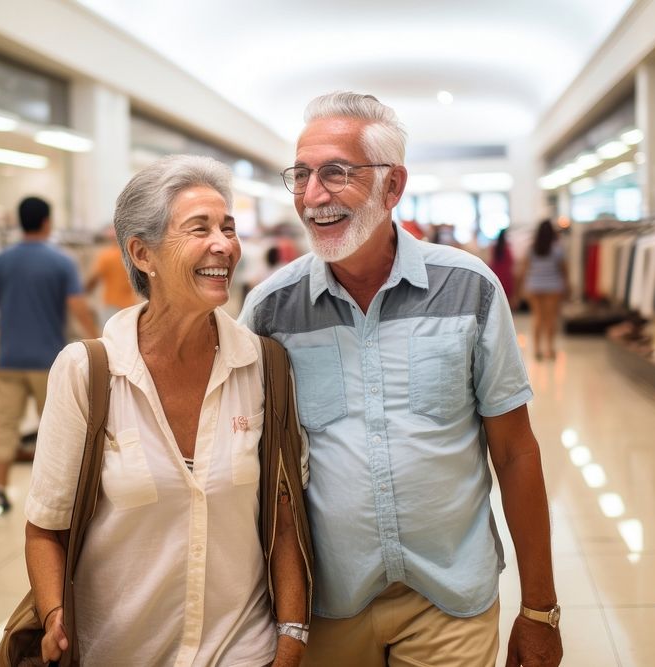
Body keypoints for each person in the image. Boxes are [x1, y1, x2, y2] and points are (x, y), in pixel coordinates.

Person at [240, 92, 562, 666]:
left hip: (449, 600)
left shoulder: (469, 290)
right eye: (302, 175)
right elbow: (248, 468)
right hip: (324, 608)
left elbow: (515, 453)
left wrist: (540, 609)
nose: (313, 196)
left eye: (336, 173)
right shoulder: (270, 311)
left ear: (393, 186)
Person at [25, 155, 312, 666]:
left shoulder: (262, 366)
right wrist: (53, 618)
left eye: (228, 227)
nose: (223, 245)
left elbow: (284, 519)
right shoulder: (88, 371)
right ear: (143, 254)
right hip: (118, 652)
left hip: (241, 648)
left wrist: (290, 641)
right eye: (199, 228)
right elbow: (45, 527)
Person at [0, 196, 97, 512]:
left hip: (9, 360)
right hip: (48, 363)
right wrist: (100, 344)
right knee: (57, 428)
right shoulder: (61, 262)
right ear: (47, 221)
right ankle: (60, 496)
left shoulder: (1, 261)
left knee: (5, 426)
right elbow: (78, 308)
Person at [519, 220, 569, 360]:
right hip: (553, 287)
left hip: (534, 286)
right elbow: (564, 270)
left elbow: (524, 269)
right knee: (550, 319)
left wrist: (522, 288)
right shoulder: (557, 249)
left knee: (537, 317)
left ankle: (536, 350)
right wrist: (567, 286)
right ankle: (550, 349)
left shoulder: (532, 248)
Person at [85, 228, 141, 327]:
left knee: (110, 339)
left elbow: (94, 278)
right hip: (130, 306)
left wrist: (84, 292)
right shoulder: (131, 256)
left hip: (111, 305)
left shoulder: (106, 256)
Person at [488, 227, 516, 306]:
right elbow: (511, 262)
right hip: (506, 277)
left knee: (497, 302)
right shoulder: (507, 249)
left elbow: (490, 263)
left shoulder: (493, 248)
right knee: (507, 303)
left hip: (496, 276)